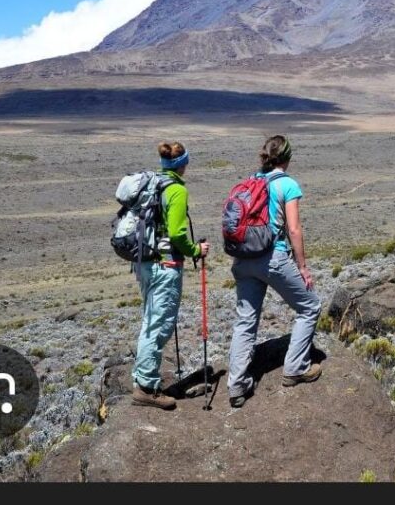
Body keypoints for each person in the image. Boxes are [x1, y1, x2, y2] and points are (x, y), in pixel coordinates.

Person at [227, 135, 321, 408]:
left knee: (246, 321)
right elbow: (294, 229)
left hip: (243, 260)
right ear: (287, 158)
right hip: (273, 258)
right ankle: (295, 368)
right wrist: (303, 267)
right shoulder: (287, 184)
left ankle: (236, 386)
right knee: (310, 306)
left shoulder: (252, 182)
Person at [131, 141, 209, 410]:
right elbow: (176, 233)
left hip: (145, 264)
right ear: (182, 164)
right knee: (159, 325)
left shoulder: (152, 184)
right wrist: (195, 249)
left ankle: (142, 379)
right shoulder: (175, 190)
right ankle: (147, 388)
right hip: (165, 266)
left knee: (150, 321)